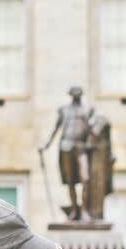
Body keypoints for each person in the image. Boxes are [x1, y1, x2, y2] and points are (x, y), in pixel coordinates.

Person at [38, 86, 95, 221]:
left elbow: (92, 131)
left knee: (85, 179)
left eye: (78, 92)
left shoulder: (88, 109)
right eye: (74, 92)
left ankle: (84, 210)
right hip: (66, 146)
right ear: (70, 94)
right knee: (70, 181)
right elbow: (56, 128)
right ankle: (74, 210)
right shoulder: (64, 109)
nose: (76, 94)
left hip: (81, 146)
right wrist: (46, 145)